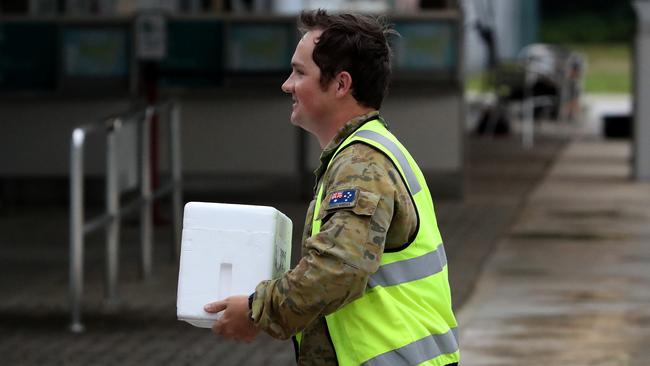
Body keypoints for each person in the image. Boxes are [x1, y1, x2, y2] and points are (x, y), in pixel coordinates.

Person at [204, 9, 460, 366]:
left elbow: (338, 270)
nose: (286, 84)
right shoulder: (363, 152)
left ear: (341, 84)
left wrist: (254, 311)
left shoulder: (362, 164)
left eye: (299, 72)